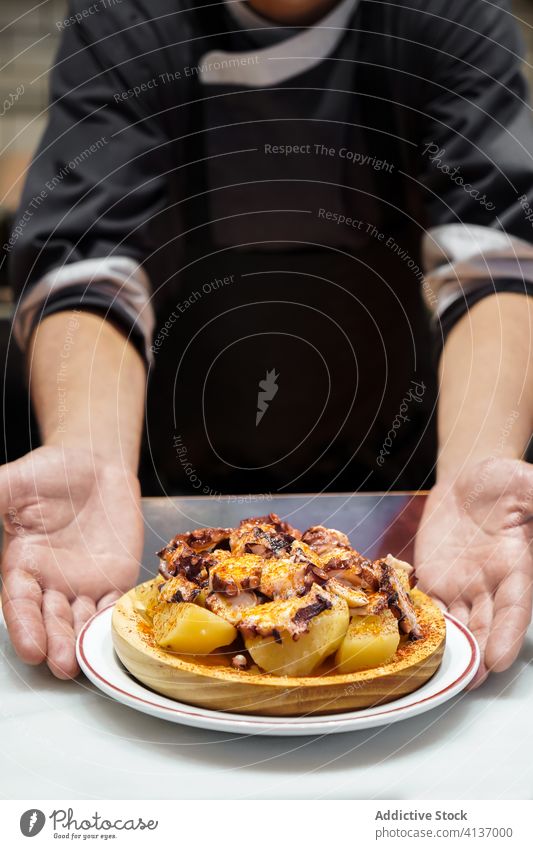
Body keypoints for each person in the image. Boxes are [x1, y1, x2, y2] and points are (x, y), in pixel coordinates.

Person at [2, 0, 533, 685]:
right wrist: (86, 452)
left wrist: (477, 465)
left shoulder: (451, 12)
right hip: (162, 483)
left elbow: (495, 257)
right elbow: (87, 255)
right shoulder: (125, 13)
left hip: (400, 480)